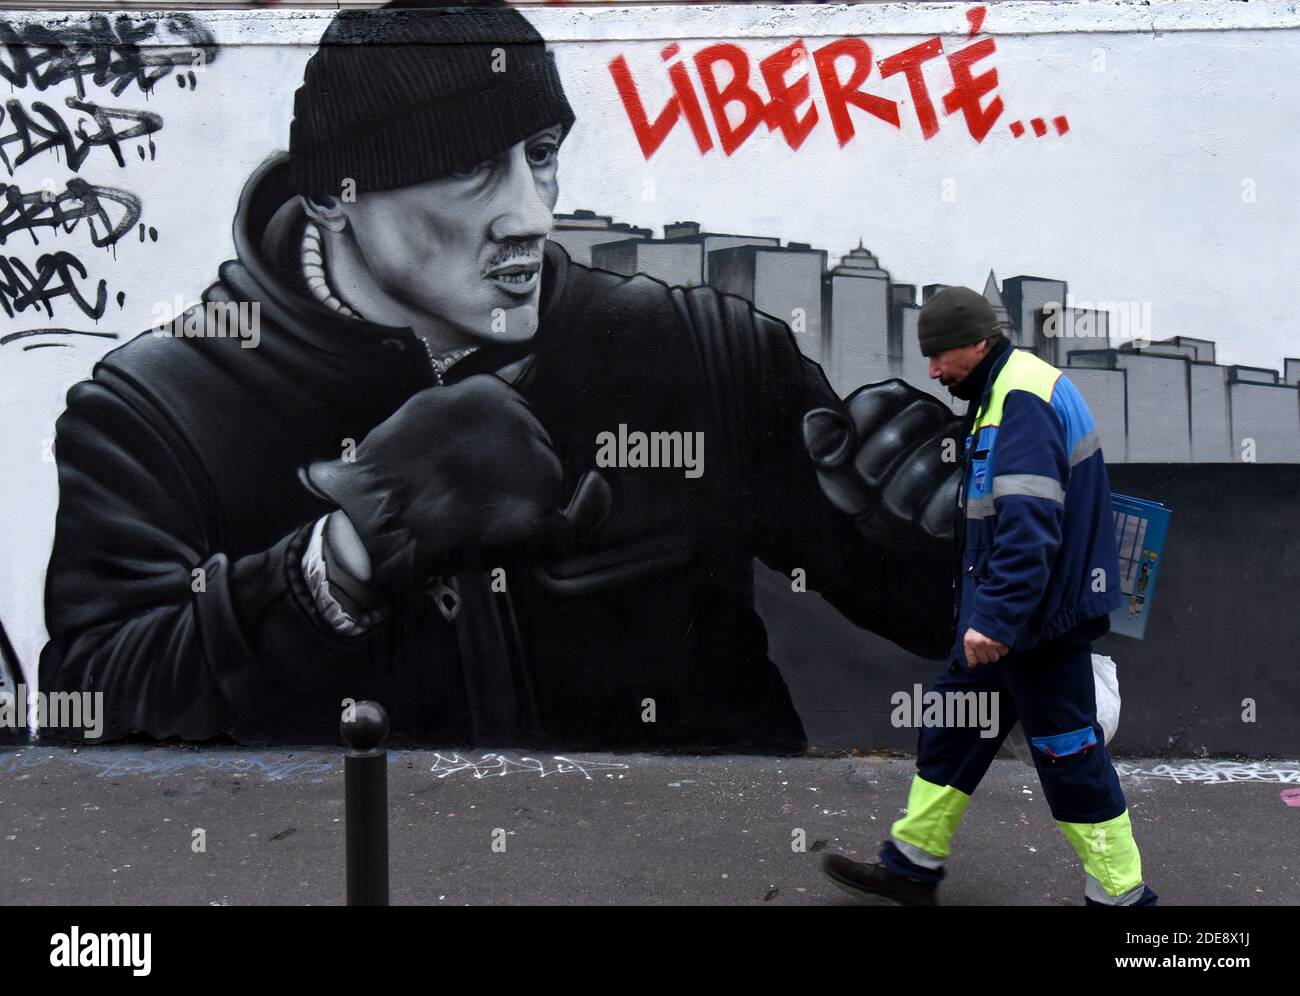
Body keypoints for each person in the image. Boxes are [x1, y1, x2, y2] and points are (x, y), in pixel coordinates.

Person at [39, 2, 963, 748]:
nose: (530, 214)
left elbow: (947, 622)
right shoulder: (161, 408)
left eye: (541, 158)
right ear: (334, 195)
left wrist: (911, 522)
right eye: (473, 169)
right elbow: (97, 698)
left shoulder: (693, 347)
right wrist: (347, 557)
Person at [822, 287, 1158, 906]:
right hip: (1007, 623)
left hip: (1034, 628)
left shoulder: (1021, 399)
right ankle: (911, 867)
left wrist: (998, 618)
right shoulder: (1002, 390)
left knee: (1068, 756)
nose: (932, 371)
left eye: (941, 355)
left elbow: (1030, 526)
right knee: (952, 728)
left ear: (978, 343)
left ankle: (1122, 897)